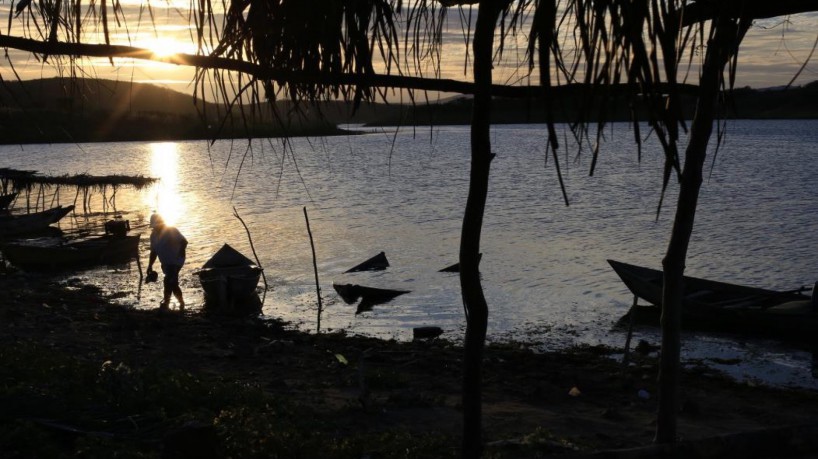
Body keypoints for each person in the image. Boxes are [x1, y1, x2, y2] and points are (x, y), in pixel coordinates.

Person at [146, 213, 188, 311]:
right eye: (154, 227)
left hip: (176, 260)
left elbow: (184, 241)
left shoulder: (171, 230)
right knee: (172, 282)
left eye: (157, 226)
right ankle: (179, 302)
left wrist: (181, 251)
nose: (156, 228)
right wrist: (150, 265)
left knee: (168, 280)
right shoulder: (153, 236)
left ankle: (169, 302)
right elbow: (153, 252)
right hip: (165, 262)